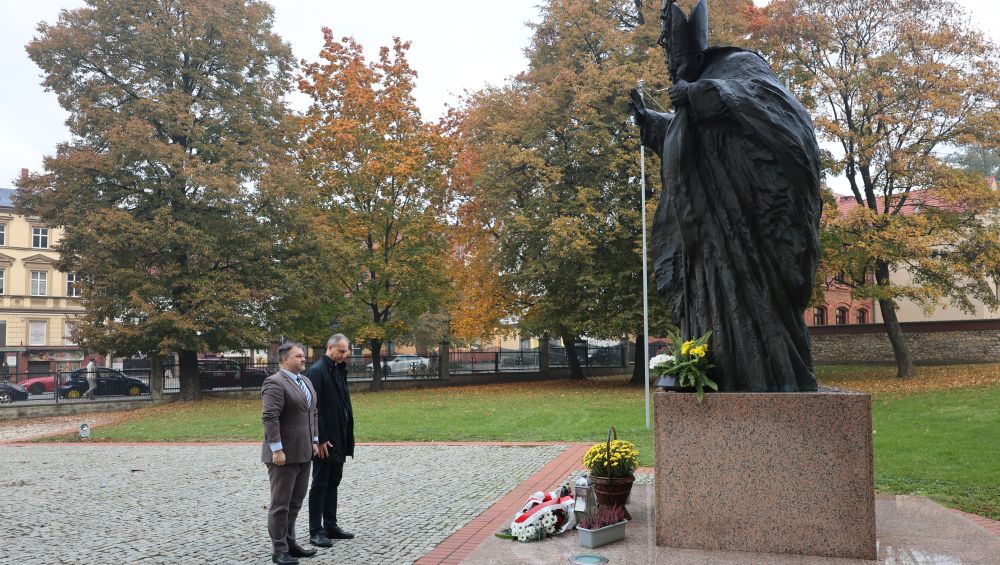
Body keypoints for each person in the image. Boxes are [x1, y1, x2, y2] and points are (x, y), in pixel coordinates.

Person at [629, 0, 821, 392]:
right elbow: (692, 143)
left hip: (748, 235)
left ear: (700, 54)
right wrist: (652, 122)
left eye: (682, 65)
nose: (677, 74)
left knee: (755, 305)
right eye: (673, 68)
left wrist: (700, 95)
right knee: (707, 303)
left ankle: (774, 376)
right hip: (707, 233)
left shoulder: (740, 67)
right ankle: (708, 367)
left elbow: (777, 115)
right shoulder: (694, 84)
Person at [262, 342, 320, 565]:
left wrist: (315, 440)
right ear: (285, 359)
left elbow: (312, 413)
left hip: (304, 452)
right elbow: (270, 417)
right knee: (281, 504)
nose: (303, 359)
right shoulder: (275, 382)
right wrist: (276, 448)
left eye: (303, 355)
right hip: (283, 455)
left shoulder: (304, 381)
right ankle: (279, 550)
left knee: (295, 501)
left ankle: (291, 543)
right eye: (299, 356)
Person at [305, 334, 356, 547]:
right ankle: (316, 531)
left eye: (346, 352)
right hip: (325, 440)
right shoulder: (317, 371)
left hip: (339, 437)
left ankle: (330, 525)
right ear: (329, 348)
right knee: (320, 484)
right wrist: (320, 438)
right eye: (341, 351)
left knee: (334, 481)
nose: (344, 356)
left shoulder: (338, 369)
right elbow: (313, 408)